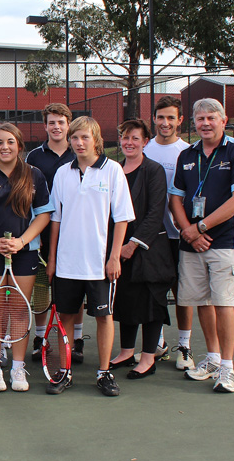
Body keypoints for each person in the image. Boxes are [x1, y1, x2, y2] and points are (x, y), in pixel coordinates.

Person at [169, 98, 234, 393]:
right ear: (193, 122)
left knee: (223, 304)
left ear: (223, 120)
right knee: (202, 303)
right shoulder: (187, 155)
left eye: (211, 118)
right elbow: (175, 199)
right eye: (200, 118)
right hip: (192, 243)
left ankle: (227, 369)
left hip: (224, 242)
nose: (205, 123)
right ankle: (213, 359)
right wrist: (189, 232)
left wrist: (200, 228)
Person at [48, 116, 134, 397]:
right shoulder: (62, 173)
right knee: (65, 317)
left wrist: (114, 257)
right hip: (67, 264)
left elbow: (122, 218)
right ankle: (65, 371)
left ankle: (104, 372)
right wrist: (52, 260)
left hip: (99, 265)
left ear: (96, 139)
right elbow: (56, 220)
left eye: (84, 137)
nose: (79, 142)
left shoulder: (113, 170)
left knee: (104, 317)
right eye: (74, 137)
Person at [0, 122, 52, 392]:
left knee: (18, 309)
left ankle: (17, 367)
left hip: (24, 254)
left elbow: (44, 214)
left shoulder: (34, 175)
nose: (4, 147)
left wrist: (22, 241)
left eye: (10, 142)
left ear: (19, 146)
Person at [109, 119, 176, 379]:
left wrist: (132, 244)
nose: (129, 143)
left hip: (150, 252)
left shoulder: (153, 170)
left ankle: (148, 358)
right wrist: (117, 247)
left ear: (145, 142)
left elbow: (155, 213)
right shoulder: (115, 169)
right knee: (126, 300)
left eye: (135, 138)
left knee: (151, 304)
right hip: (119, 249)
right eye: (125, 137)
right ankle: (127, 352)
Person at [25, 103, 85, 363]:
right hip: (42, 231)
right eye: (51, 122)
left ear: (68, 124)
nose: (56, 127)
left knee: (75, 287)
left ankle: (77, 339)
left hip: (73, 233)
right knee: (41, 287)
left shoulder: (80, 152)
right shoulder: (33, 157)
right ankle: (40, 339)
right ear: (45, 126)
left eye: (61, 122)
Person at [144, 96, 194, 369]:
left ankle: (184, 346)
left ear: (180, 120)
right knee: (154, 291)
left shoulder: (189, 152)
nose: (165, 123)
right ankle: (158, 342)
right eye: (161, 117)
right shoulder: (144, 149)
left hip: (181, 236)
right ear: (154, 118)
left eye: (171, 117)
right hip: (152, 237)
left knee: (183, 292)